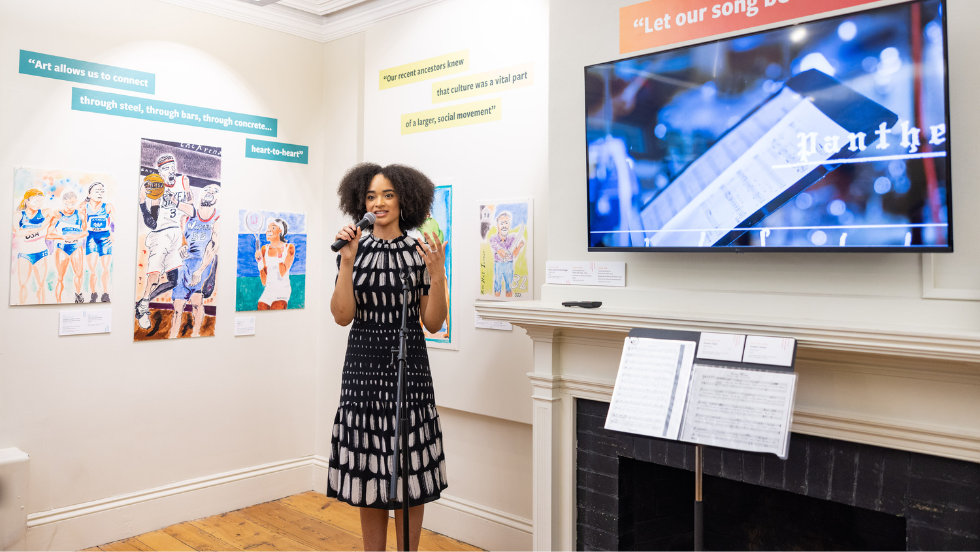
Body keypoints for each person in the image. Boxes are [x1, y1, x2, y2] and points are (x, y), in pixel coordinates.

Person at [329, 163, 448, 552]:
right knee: (370, 473)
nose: (378, 203)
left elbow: (432, 323)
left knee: (409, 470)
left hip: (408, 370)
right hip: (363, 369)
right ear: (360, 202)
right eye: (370, 196)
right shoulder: (351, 250)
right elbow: (342, 315)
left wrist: (437, 276)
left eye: (388, 194)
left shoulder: (418, 253)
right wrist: (347, 261)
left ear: (404, 201)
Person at [136, 154, 194, 330]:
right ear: (159, 172)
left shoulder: (184, 181)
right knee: (154, 274)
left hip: (176, 232)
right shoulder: (154, 185)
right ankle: (144, 305)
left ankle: (141, 303)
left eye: (173, 166)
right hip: (160, 233)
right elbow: (148, 214)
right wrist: (144, 208)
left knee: (173, 280)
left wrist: (176, 202)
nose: (172, 170)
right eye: (167, 168)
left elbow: (191, 211)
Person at [169, 184, 219, 338]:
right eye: (207, 189)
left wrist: (200, 270)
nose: (210, 191)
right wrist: (182, 247)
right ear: (201, 194)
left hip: (202, 264)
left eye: (215, 190)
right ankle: (172, 335)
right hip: (185, 264)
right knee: (177, 306)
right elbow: (183, 240)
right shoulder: (188, 216)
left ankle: (196, 333)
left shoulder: (217, 219)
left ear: (217, 198)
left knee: (196, 302)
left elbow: (213, 247)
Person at [47, 189, 87, 303]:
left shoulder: (80, 215)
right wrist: (62, 237)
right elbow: (49, 235)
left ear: (76, 202)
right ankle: (58, 300)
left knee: (79, 274)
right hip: (62, 248)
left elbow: (85, 232)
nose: (70, 207)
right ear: (63, 202)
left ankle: (78, 295)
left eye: (73, 204)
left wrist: (75, 236)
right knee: (60, 277)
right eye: (67, 204)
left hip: (76, 247)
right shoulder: (57, 215)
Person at [13, 189, 51, 305]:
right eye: (35, 201)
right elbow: (18, 233)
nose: (39, 203)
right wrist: (39, 229)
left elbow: (54, 215)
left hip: (41, 253)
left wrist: (29, 230)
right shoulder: (19, 215)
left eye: (41, 201)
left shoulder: (44, 212)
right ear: (26, 201)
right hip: (25, 254)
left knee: (41, 284)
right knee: (22, 284)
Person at [83, 181, 114, 303]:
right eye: (97, 191)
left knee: (105, 268)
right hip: (91, 237)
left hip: (104, 238)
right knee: (92, 270)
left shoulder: (108, 206)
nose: (100, 193)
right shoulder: (84, 206)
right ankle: (93, 293)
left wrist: (113, 234)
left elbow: (116, 222)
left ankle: (105, 293)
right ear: (89, 193)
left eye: (102, 191)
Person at [254, 218, 294, 310]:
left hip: (282, 291)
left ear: (280, 231)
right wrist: (260, 262)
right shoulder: (264, 249)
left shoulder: (289, 248)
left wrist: (280, 254)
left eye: (273, 228)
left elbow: (282, 273)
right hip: (268, 291)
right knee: (261, 307)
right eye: (268, 228)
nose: (268, 230)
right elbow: (264, 281)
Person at [488, 211, 525, 297]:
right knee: (497, 286)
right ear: (497, 225)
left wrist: (519, 246)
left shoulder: (512, 238)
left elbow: (515, 254)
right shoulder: (494, 238)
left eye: (506, 223)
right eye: (502, 223)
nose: (504, 225)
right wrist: (503, 253)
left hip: (509, 265)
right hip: (498, 265)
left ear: (509, 225)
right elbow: (498, 249)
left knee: (509, 286)